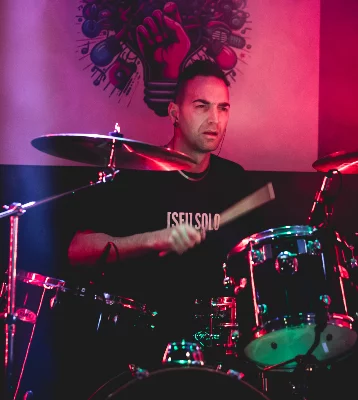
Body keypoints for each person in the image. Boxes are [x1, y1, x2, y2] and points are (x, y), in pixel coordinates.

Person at [59, 59, 270, 399]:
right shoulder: (137, 176)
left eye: (222, 108)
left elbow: (258, 266)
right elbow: (78, 250)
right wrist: (153, 240)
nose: (214, 119)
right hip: (143, 345)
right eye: (201, 106)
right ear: (174, 112)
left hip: (218, 347)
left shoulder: (236, 181)